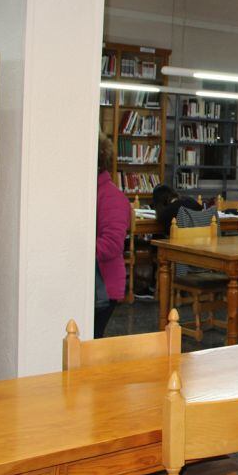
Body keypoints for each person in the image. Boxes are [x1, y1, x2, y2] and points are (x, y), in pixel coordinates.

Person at [96, 134, 131, 337]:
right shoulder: (90, 191)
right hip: (95, 283)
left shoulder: (112, 197)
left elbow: (111, 244)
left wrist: (77, 250)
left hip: (103, 287)